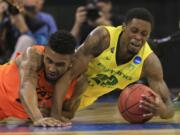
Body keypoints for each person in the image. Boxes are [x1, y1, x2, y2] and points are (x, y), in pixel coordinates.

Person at [52, 8, 175, 120]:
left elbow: (169, 108)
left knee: (66, 114)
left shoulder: (149, 62)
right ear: (124, 27)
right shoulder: (102, 38)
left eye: (144, 34)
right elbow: (69, 74)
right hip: (58, 84)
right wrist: (55, 113)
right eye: (134, 31)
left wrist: (162, 110)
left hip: (82, 99)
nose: (138, 37)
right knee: (82, 81)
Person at [0, 30, 78, 127]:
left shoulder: (77, 79)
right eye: (49, 61)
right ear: (44, 53)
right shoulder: (33, 56)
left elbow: (69, 113)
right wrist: (38, 118)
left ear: (71, 62)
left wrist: (49, 113)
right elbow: (26, 85)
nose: (52, 68)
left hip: (5, 113)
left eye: (60, 64)